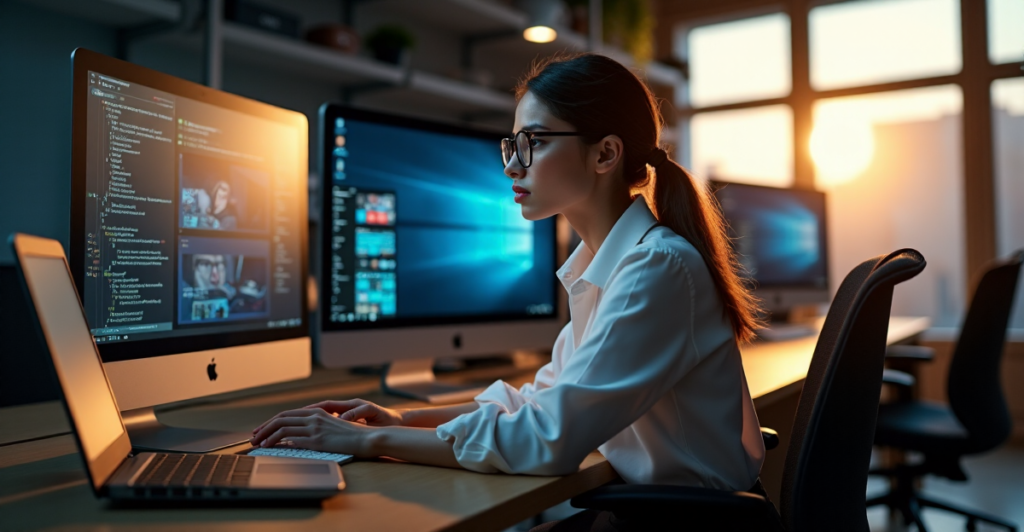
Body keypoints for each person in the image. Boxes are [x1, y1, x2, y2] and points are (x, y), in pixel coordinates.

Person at [250, 53, 767, 529]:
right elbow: (539, 401)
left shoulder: (656, 268)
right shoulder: (611, 265)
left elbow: (548, 439)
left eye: (535, 143)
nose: (511, 166)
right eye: (513, 144)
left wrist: (369, 440)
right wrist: (405, 419)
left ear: (605, 153)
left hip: (688, 525)